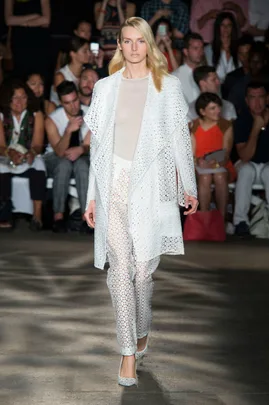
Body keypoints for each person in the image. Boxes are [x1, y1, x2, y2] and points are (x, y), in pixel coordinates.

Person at [84, 17, 198, 387]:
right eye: (127, 41)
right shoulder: (104, 88)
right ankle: (127, 353)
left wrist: (189, 186)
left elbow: (181, 140)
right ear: (118, 45)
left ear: (150, 45)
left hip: (151, 184)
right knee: (119, 269)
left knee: (143, 273)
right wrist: (91, 198)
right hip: (113, 182)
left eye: (140, 41)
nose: (134, 48)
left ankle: (142, 327)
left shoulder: (167, 86)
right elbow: (97, 150)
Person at [44, 81, 91, 233]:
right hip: (56, 156)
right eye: (68, 103)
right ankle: (58, 217)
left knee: (82, 166)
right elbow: (58, 151)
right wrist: (68, 131)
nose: (73, 106)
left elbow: (93, 145)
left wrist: (81, 148)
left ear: (78, 97)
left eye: (75, 100)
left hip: (82, 155)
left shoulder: (90, 113)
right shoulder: (52, 119)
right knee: (63, 164)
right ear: (61, 103)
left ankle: (87, 218)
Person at [0, 78, 46, 230]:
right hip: (7, 156)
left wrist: (32, 152)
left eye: (23, 97)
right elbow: (0, 146)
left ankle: (37, 216)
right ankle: (5, 214)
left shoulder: (36, 115)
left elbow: (38, 144)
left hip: (26, 156)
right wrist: (9, 152)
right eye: (15, 97)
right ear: (8, 99)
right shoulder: (2, 115)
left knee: (39, 164)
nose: (19, 101)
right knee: (1, 167)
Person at [233, 82, 269, 237]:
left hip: (268, 164)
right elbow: (245, 156)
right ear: (247, 101)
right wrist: (256, 128)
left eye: (261, 97)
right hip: (248, 163)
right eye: (253, 98)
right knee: (246, 171)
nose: (257, 102)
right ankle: (240, 222)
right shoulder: (242, 120)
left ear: (267, 99)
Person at [190, 92, 235, 217]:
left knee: (220, 175)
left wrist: (213, 163)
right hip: (199, 165)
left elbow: (225, 154)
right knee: (205, 177)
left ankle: (221, 219)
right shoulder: (194, 126)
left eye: (218, 107)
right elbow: (191, 154)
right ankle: (204, 218)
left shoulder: (225, 125)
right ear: (203, 111)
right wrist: (199, 162)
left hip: (221, 164)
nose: (218, 111)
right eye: (213, 108)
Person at [4, 0, 51, 84]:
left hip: (39, 40)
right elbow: (9, 20)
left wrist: (23, 24)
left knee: (41, 73)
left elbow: (46, 20)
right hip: (20, 40)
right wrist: (34, 16)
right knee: (21, 74)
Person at [204, 12, 240, 84]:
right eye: (222, 25)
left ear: (233, 27)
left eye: (229, 25)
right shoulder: (208, 50)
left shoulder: (239, 48)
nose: (225, 28)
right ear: (218, 27)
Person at [172, 33, 204, 105]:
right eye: (195, 48)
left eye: (202, 48)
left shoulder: (209, 74)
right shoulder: (175, 77)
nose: (200, 52)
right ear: (186, 51)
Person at [222, 34, 254, 100]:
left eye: (247, 53)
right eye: (241, 54)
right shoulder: (231, 78)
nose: (244, 57)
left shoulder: (263, 75)